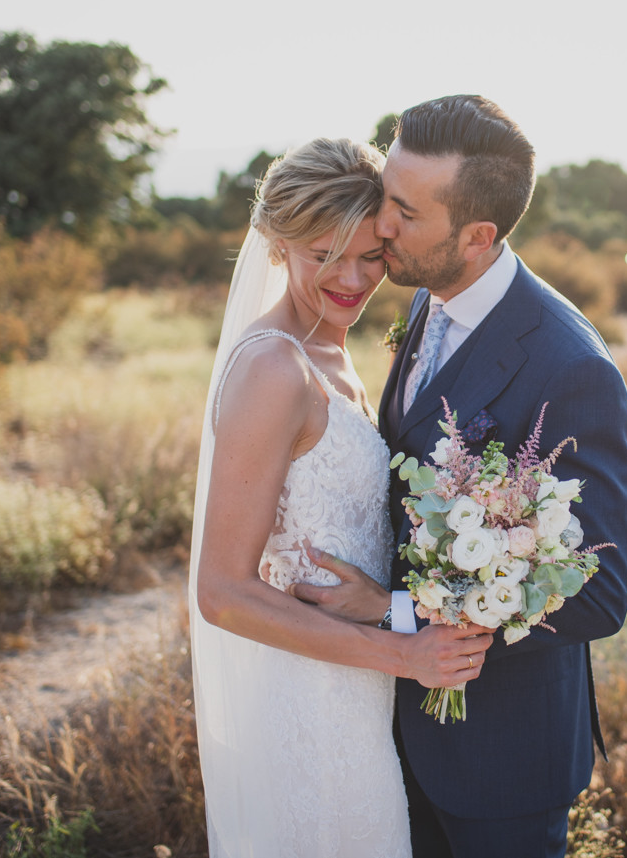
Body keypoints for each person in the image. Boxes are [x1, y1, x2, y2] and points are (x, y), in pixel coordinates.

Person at [295, 96, 627, 858]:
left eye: (405, 212)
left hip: (502, 758)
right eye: (386, 195)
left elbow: (601, 591)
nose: (381, 224)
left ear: (478, 235)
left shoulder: (569, 367)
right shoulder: (429, 294)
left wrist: (396, 611)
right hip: (389, 732)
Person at [188, 136, 492, 857]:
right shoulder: (274, 368)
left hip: (356, 694)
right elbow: (222, 593)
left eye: (370, 254)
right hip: (310, 705)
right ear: (277, 245)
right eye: (326, 256)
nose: (353, 279)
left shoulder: (330, 347)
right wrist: (404, 656)